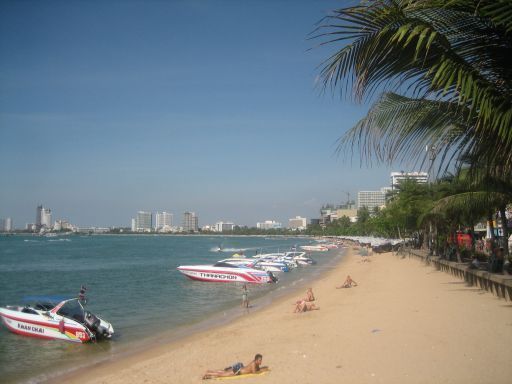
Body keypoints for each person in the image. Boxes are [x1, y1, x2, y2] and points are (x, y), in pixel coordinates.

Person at [202, 354, 268, 379]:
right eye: (259, 360)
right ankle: (208, 374)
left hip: (239, 368)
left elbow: (257, 369)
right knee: (222, 374)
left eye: (261, 360)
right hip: (238, 371)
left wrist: (262, 368)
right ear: (256, 360)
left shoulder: (255, 364)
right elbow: (254, 373)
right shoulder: (253, 364)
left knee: (224, 371)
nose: (261, 362)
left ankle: (209, 371)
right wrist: (262, 370)